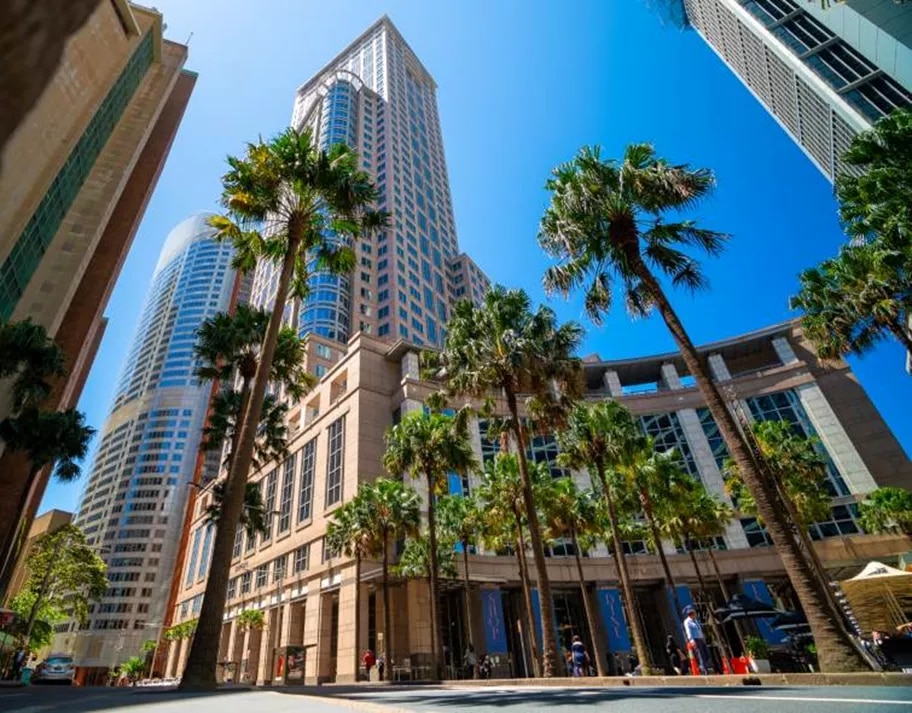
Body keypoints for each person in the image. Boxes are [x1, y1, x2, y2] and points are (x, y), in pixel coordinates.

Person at [683, 606, 713, 674]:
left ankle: (702, 666)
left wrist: (703, 637)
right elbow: (688, 631)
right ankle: (704, 670)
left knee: (707, 654)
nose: (695, 615)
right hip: (696, 639)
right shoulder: (687, 622)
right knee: (700, 655)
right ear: (691, 614)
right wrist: (692, 640)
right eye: (694, 613)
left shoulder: (696, 621)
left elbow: (699, 630)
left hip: (701, 639)